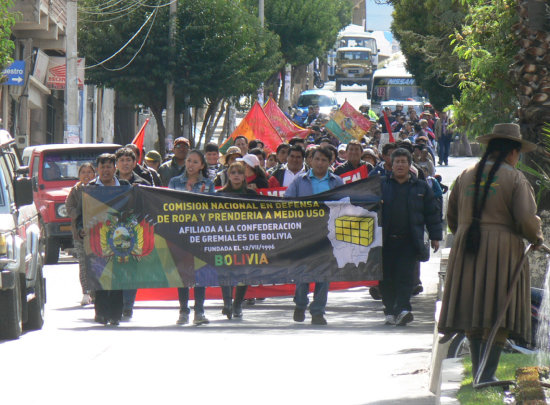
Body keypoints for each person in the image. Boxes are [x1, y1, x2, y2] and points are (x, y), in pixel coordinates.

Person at [438, 123, 543, 384]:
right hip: (504, 252)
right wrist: (537, 238)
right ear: (512, 153)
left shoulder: (465, 175)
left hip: (467, 251)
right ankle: (486, 374)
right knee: (499, 311)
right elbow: (527, 220)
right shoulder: (516, 178)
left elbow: (452, 217)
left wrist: (468, 235)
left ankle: (480, 373)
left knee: (474, 312)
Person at [380, 148, 442, 326]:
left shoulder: (421, 187)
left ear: (409, 165)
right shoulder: (381, 185)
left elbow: (432, 213)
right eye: (397, 162)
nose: (400, 165)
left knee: (405, 277)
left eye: (403, 162)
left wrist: (435, 236)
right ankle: (390, 311)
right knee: (386, 278)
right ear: (391, 165)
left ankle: (403, 309)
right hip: (385, 242)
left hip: (409, 241)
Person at [285, 147, 344, 325]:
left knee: (324, 274)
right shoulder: (299, 181)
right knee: (304, 272)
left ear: (329, 163)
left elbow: (345, 205)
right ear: (310, 161)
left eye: (324, 160)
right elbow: (287, 202)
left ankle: (318, 311)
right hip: (304, 233)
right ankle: (301, 303)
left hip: (328, 234)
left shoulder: (336, 182)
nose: (320, 163)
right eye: (317, 159)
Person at [79, 153, 130, 326]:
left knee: (117, 277)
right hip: (96, 238)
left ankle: (116, 314)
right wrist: (80, 229)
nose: (106, 170)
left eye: (109, 166)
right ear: (97, 170)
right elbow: (81, 212)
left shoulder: (124, 186)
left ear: (115, 168)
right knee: (99, 275)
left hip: (119, 236)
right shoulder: (90, 188)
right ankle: (101, 313)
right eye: (102, 167)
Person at [168, 149, 215, 325]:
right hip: (180, 234)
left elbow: (212, 208)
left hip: (201, 233)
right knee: (183, 273)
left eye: (195, 162)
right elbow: (168, 205)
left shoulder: (208, 184)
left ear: (202, 165)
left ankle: (199, 311)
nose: (190, 165)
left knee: (200, 272)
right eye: (188, 161)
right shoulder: (174, 182)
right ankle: (183, 310)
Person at [216, 162, 257, 319]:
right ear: (228, 174)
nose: (236, 175)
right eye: (233, 172)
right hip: (225, 239)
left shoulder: (251, 195)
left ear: (244, 175)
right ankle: (227, 303)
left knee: (243, 271)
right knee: (225, 270)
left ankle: (238, 303)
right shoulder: (219, 194)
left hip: (246, 239)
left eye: (239, 172)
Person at [115, 148, 151, 321]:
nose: (125, 163)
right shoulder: (106, 183)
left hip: (135, 230)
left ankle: (128, 305)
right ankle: (115, 305)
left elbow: (150, 206)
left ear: (135, 163)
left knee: (131, 269)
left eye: (129, 160)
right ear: (116, 163)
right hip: (111, 230)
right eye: (121, 160)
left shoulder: (143, 183)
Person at [66, 162, 96, 306]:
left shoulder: (98, 188)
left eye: (89, 172)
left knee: (97, 263)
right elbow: (69, 207)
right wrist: (79, 214)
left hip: (97, 234)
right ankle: (86, 292)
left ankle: (97, 293)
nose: (86, 175)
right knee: (83, 264)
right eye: (83, 172)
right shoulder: (75, 190)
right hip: (80, 234)